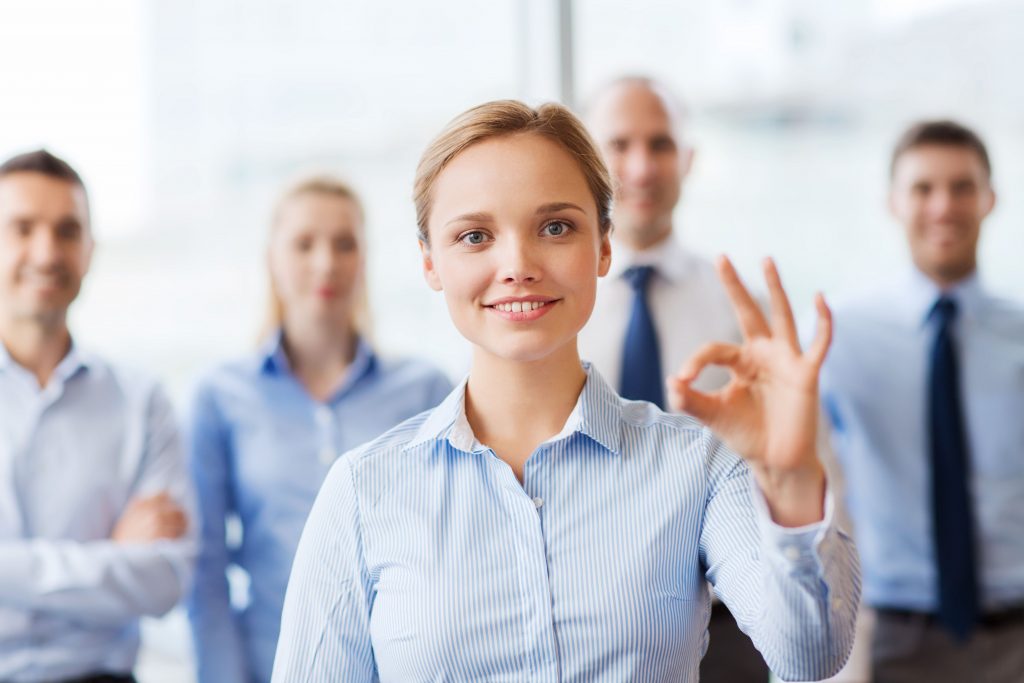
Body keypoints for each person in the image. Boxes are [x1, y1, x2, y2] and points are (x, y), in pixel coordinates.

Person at [271, 100, 859, 682]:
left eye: (555, 227)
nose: (518, 264)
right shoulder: (362, 492)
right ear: (431, 263)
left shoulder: (697, 463)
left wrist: (790, 481)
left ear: (604, 245)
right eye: (475, 236)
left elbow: (807, 657)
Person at [186, 175, 453, 683]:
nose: (326, 262)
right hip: (268, 663)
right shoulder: (218, 395)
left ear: (365, 258)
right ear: (272, 257)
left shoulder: (425, 389)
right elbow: (206, 573)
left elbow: (446, 548)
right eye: (304, 244)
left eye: (344, 244)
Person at [816, 120, 1024, 682]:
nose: (943, 206)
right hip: (893, 639)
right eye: (923, 188)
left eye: (962, 187)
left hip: (1015, 635)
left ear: (990, 200)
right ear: (893, 202)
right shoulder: (840, 337)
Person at [579, 75, 767, 681]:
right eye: (619, 143)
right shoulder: (541, 310)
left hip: (727, 626)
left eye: (659, 144)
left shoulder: (742, 311)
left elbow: (799, 465)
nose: (640, 166)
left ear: (688, 159)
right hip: (585, 626)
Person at [0, 150, 195, 682]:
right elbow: (135, 576)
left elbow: (166, 580)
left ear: (89, 251)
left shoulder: (141, 400)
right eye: (22, 228)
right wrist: (109, 558)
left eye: (66, 231)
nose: (46, 251)